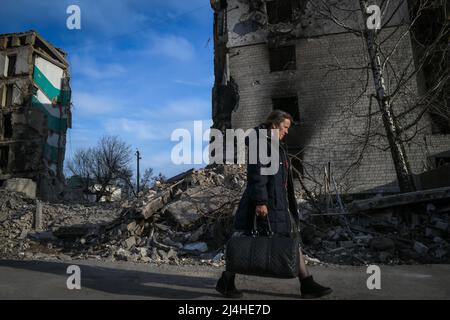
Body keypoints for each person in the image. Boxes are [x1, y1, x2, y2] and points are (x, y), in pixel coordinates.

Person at [216, 110, 332, 299]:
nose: (287, 131)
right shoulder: (261, 143)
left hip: (276, 201)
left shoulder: (276, 145)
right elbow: (257, 175)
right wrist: (261, 202)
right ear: (274, 125)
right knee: (247, 241)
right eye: (285, 127)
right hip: (264, 203)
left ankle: (306, 283)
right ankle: (306, 284)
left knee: (286, 238)